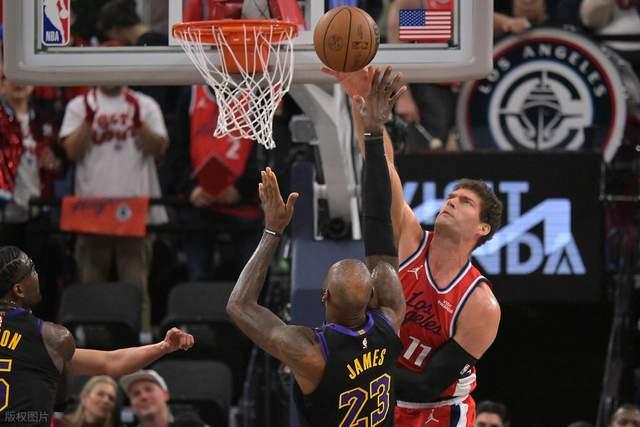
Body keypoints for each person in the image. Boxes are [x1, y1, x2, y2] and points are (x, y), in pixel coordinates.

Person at [226, 66, 406, 427]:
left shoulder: (311, 353)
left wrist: (273, 230)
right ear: (373, 293)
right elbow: (379, 221)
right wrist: (373, 131)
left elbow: (239, 306)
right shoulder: (390, 319)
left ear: (324, 295)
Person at [331, 65, 503, 426]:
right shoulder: (410, 238)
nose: (451, 202)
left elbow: (428, 384)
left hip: (439, 409)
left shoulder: (480, 304)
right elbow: (383, 170)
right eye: (451, 196)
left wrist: (356, 367)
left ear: (483, 228)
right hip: (384, 392)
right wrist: (360, 103)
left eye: (465, 202)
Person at [0, 245, 194, 427]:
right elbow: (112, 362)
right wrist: (163, 347)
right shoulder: (48, 337)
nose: (37, 276)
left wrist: (162, 346)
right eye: (32, 271)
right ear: (19, 290)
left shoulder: (41, 342)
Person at [60, 84, 168, 332]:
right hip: (91, 211)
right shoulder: (79, 106)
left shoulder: (145, 104)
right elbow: (71, 152)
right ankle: (91, 341)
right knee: (90, 286)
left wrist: (139, 122)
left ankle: (140, 341)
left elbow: (157, 149)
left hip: (135, 211)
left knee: (136, 287)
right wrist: (89, 119)